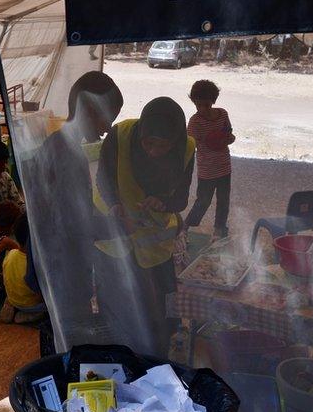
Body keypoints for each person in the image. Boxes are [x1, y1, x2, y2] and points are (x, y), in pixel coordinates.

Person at [21, 71, 125, 351]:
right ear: (88, 109)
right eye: (108, 117)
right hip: (60, 266)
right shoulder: (67, 153)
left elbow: (73, 206)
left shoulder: (59, 143)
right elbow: (72, 223)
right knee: (68, 341)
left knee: (60, 333)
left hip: (53, 261)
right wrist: (119, 230)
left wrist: (107, 219)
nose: (107, 129)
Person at [94, 97, 196, 357]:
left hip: (154, 245)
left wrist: (162, 202)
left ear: (175, 142)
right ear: (141, 134)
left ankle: (157, 354)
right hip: (115, 237)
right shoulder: (121, 135)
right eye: (148, 143)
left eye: (162, 146)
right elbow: (103, 177)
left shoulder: (187, 148)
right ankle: (119, 353)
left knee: (159, 307)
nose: (153, 151)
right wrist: (116, 207)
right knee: (119, 302)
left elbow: (181, 197)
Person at [184, 80, 235, 239]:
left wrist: (227, 139)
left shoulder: (223, 114)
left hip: (224, 166)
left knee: (223, 201)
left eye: (206, 105)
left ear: (213, 101)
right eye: (198, 105)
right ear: (194, 102)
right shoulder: (195, 121)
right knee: (203, 201)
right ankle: (186, 226)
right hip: (206, 169)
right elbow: (191, 144)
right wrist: (208, 141)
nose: (202, 109)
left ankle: (219, 229)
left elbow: (229, 134)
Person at [0, 215, 46, 324]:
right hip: (31, 304)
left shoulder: (11, 253)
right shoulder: (36, 264)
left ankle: (11, 305)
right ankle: (29, 314)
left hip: (12, 298)